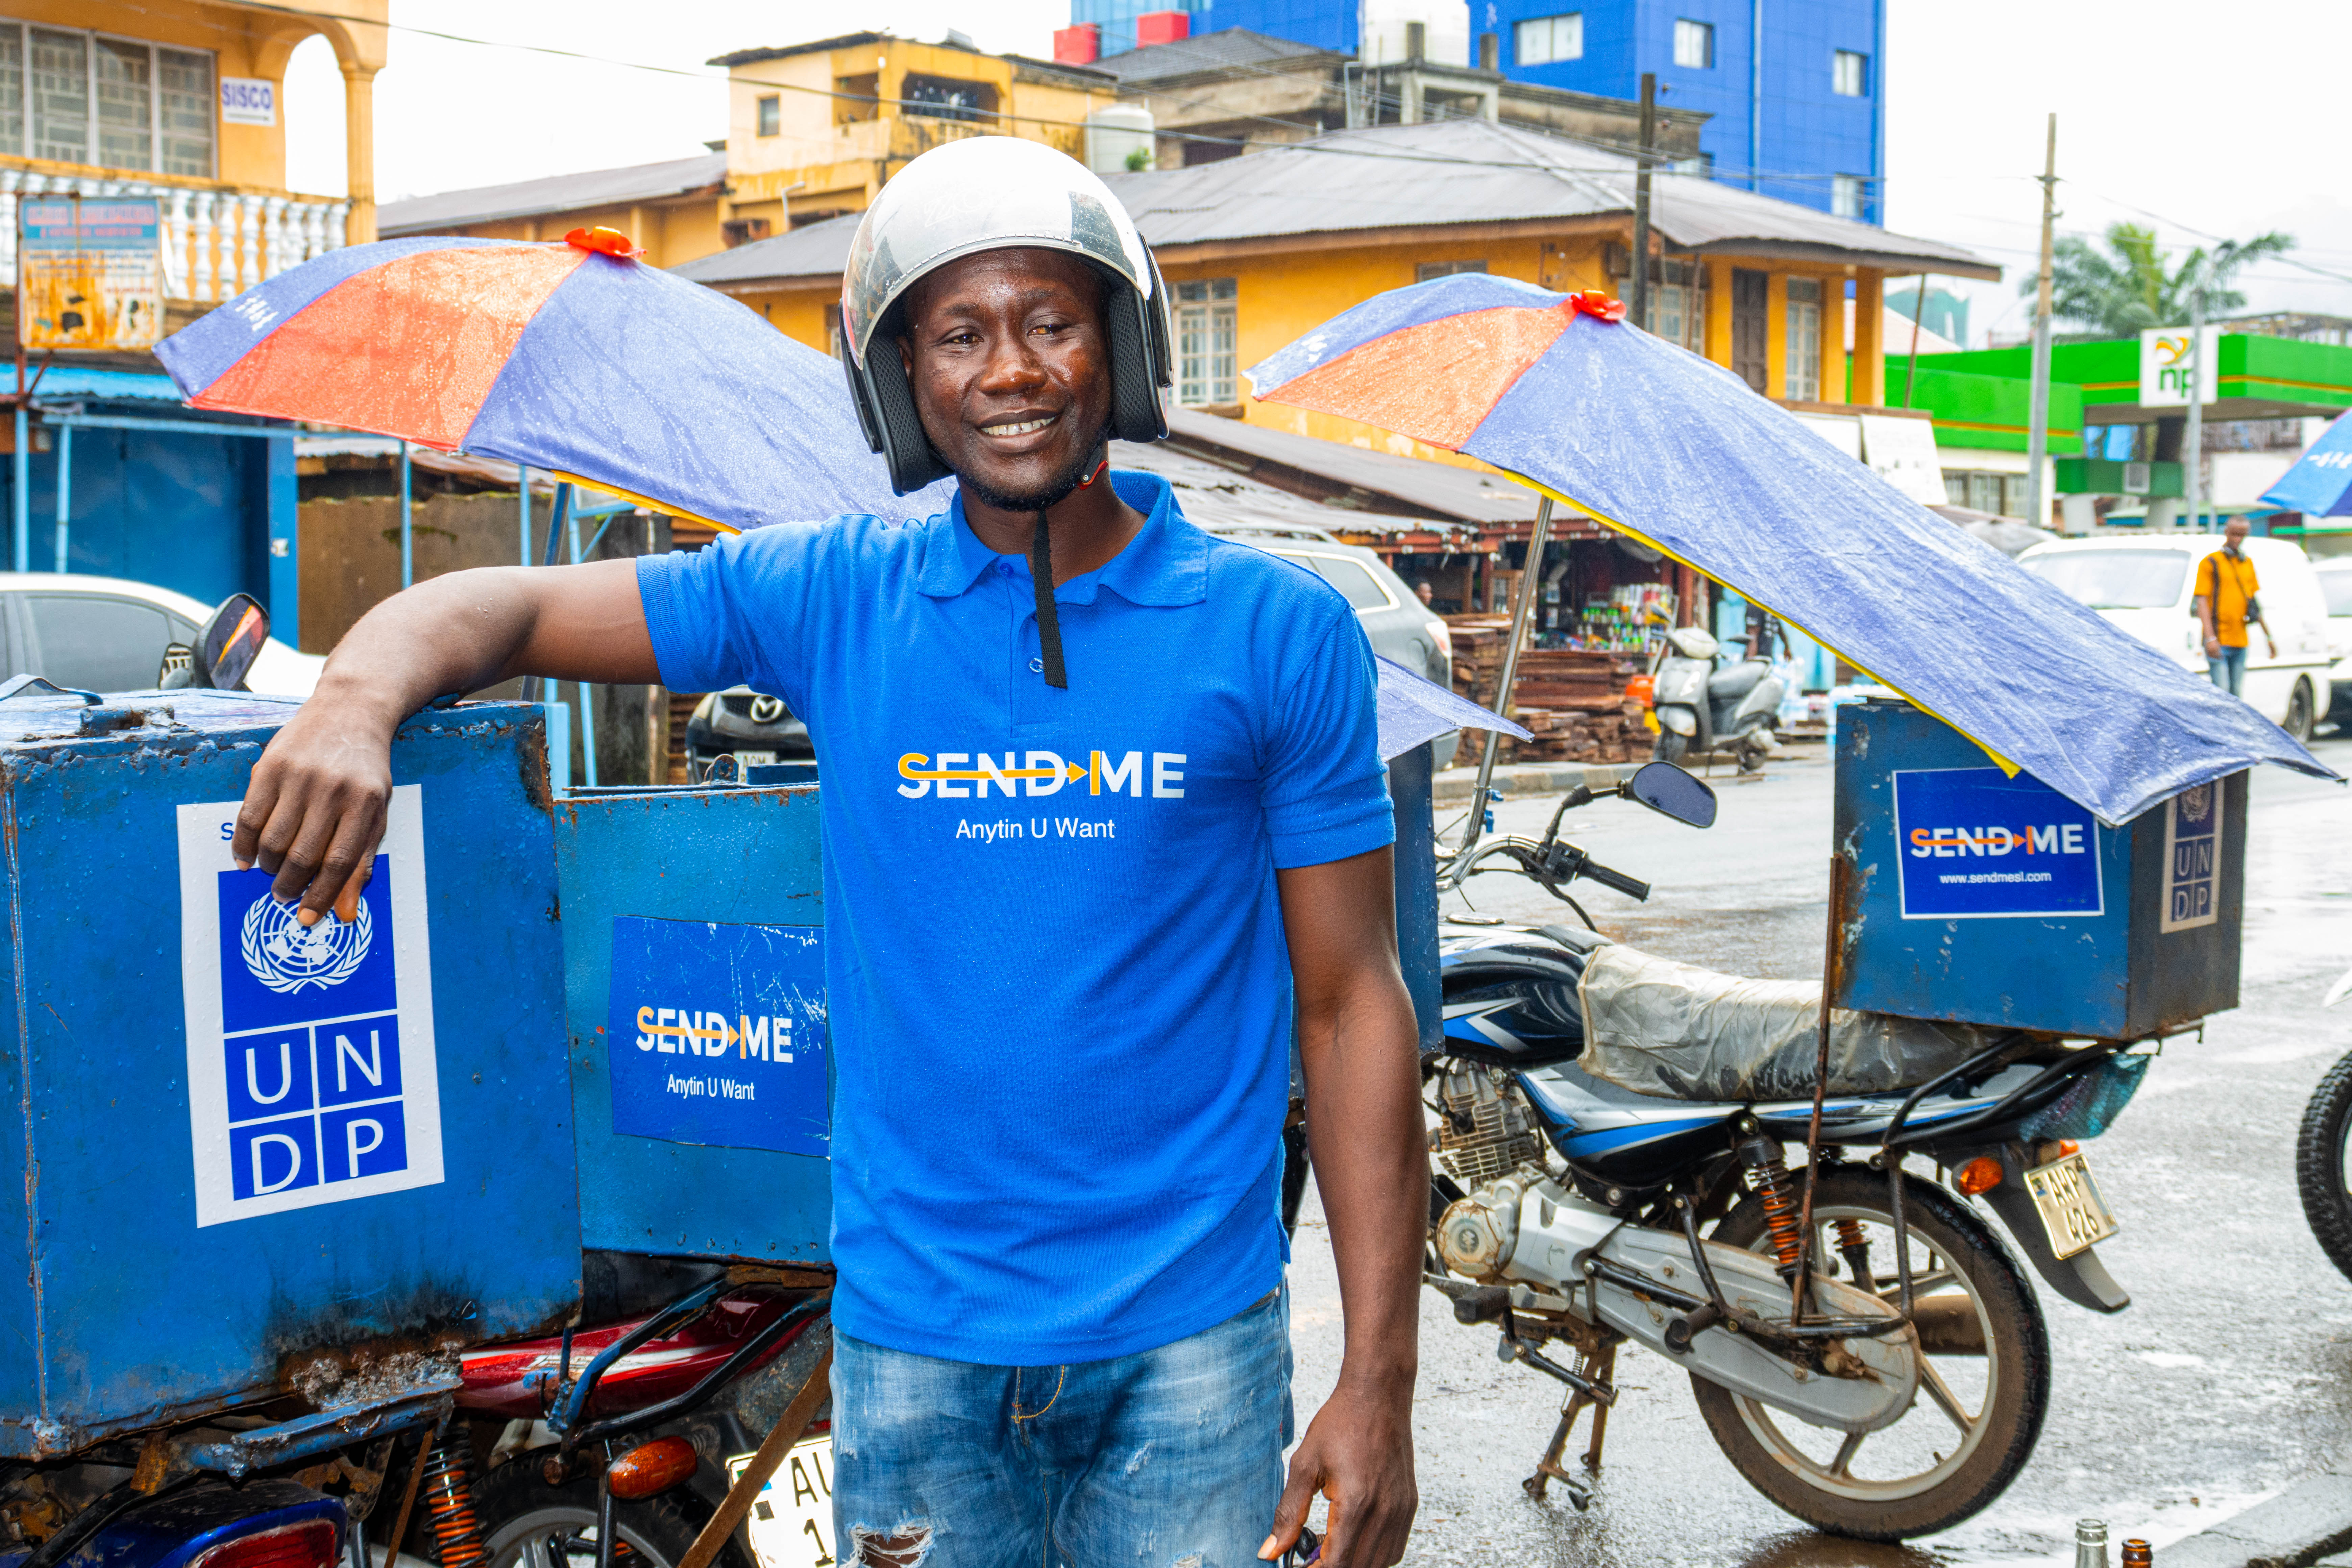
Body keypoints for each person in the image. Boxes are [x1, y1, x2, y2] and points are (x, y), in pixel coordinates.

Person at [228, 138, 1422, 1567]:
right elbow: (502, 609)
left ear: (1119, 340)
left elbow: (1353, 1002)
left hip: (1192, 1346)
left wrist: (1377, 1378)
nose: (1011, 369)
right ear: (903, 380)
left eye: (1050, 319)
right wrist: (354, 699)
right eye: (959, 332)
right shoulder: (836, 596)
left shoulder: (1276, 631)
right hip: (917, 1344)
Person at [2194, 517, 2277, 695]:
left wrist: (2268, 637)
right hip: (2218, 639)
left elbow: (2253, 603)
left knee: (2237, 694)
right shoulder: (2211, 562)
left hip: (2240, 641)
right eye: (2234, 534)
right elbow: (2201, 601)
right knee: (2222, 693)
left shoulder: (2247, 564)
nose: (2237, 539)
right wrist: (2210, 638)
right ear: (2226, 533)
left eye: (2242, 535)